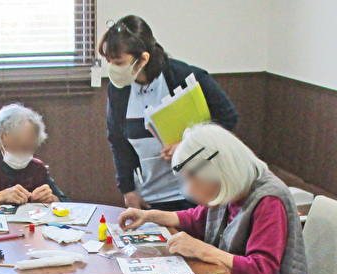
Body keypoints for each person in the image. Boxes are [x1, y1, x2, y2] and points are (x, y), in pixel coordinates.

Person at [117, 123, 307, 274]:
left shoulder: (269, 199)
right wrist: (149, 216)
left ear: (215, 171)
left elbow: (261, 271)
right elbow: (197, 219)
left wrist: (202, 250)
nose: (189, 188)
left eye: (193, 178)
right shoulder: (231, 186)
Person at [101, 15, 239, 212]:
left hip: (196, 192)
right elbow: (117, 140)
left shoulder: (184, 76)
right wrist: (127, 190)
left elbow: (228, 118)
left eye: (119, 62)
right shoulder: (119, 89)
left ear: (143, 59)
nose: (113, 68)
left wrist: (188, 145)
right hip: (149, 196)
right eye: (109, 61)